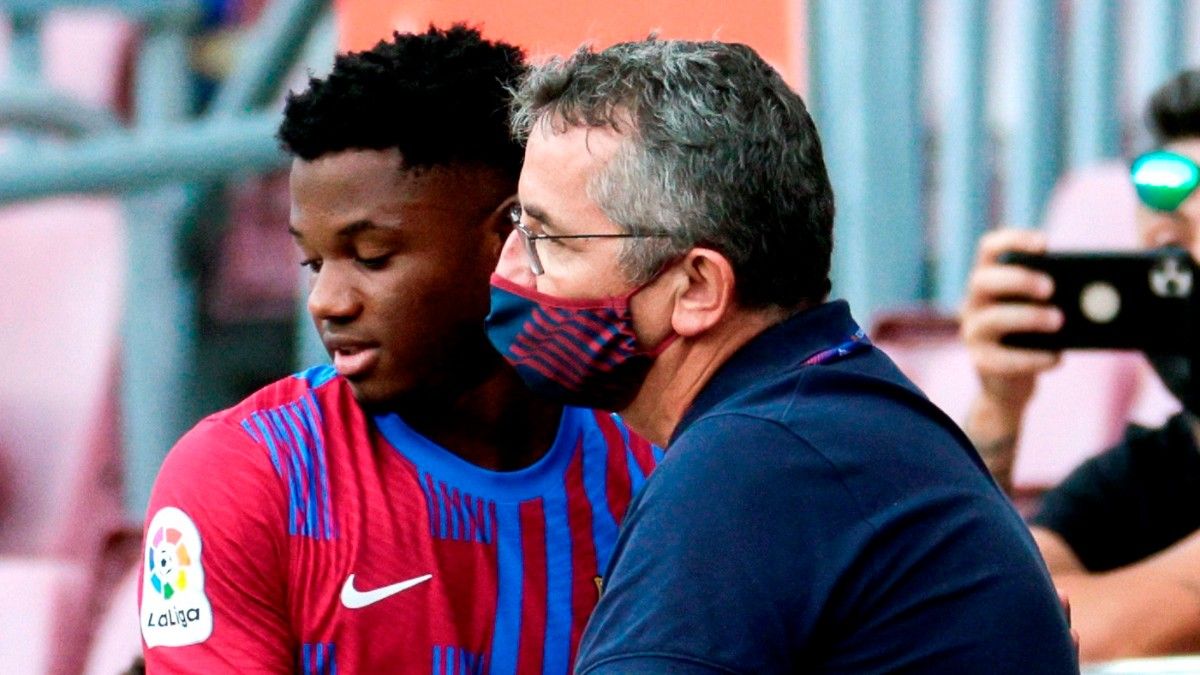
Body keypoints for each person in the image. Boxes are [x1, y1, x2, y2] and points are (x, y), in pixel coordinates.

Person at [484, 37, 1077, 673]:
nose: (509, 267)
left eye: (548, 238)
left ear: (697, 288)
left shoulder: (749, 468)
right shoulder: (835, 415)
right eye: (518, 223)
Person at [138, 26, 659, 673]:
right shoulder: (242, 478)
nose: (327, 301)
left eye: (371, 256)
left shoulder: (659, 464)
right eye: (314, 260)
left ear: (513, 240)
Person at [961, 68, 1200, 661]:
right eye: (1160, 256)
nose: (1178, 282)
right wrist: (999, 405)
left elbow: (1039, 629)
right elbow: (946, 606)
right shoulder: (1143, 474)